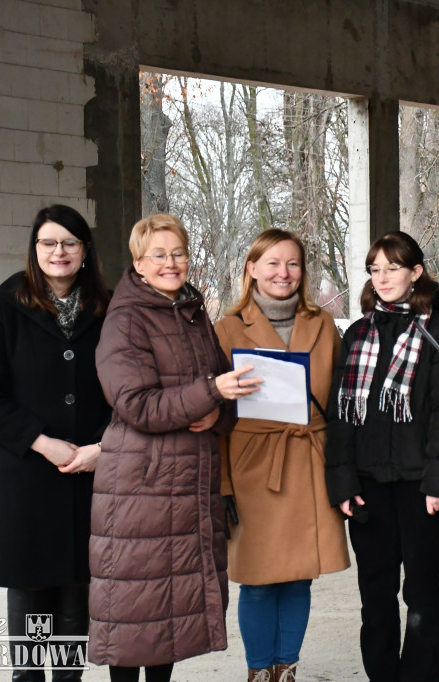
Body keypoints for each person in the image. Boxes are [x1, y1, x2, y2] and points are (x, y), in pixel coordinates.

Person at [88, 214, 258, 682]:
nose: (170, 262)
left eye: (178, 253)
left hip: (185, 484)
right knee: (133, 614)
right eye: (158, 255)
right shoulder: (125, 319)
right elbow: (136, 405)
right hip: (141, 488)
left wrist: (218, 412)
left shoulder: (192, 312)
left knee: (167, 617)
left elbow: (222, 390)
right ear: (139, 264)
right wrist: (210, 395)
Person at [0, 204, 111, 682]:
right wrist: (41, 442)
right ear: (34, 249)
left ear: (85, 250)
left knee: (76, 588)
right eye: (48, 242)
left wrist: (103, 447)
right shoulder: (7, 305)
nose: (58, 251)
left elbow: (126, 390)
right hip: (26, 476)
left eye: (69, 242)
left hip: (87, 473)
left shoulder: (108, 308)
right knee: (30, 591)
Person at [325, 231, 439, 682]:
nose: (382, 278)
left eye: (393, 268)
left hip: (421, 488)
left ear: (415, 272)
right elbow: (340, 414)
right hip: (368, 487)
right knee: (376, 596)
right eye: (375, 269)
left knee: (423, 594)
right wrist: (342, 482)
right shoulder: (357, 333)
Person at [213, 229, 350, 682]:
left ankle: (286, 668)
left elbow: (341, 402)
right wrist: (223, 483)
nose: (283, 273)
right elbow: (216, 416)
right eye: (272, 263)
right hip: (253, 465)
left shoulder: (324, 324)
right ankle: (258, 671)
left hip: (310, 459)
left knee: (298, 575)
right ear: (252, 268)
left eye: (292, 263)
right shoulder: (226, 329)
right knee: (257, 578)